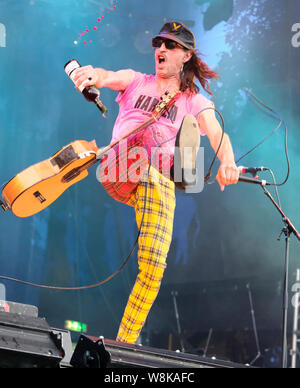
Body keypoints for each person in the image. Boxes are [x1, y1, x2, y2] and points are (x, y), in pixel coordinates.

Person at [72, 21, 240, 344]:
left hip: (155, 183)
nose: (160, 49)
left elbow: (217, 134)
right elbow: (109, 76)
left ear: (186, 55)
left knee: (153, 269)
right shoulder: (137, 81)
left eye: (170, 45)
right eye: (158, 43)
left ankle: (124, 345)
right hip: (121, 166)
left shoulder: (192, 100)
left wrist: (228, 162)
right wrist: (94, 75)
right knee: (145, 153)